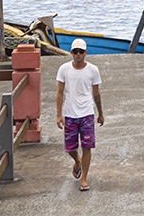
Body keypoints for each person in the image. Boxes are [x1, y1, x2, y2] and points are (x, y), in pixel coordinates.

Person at [56, 38, 104, 191]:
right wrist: (58, 114)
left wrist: (100, 113)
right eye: (75, 52)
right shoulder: (64, 69)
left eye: (81, 52)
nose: (78, 54)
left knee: (87, 146)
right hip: (70, 112)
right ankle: (77, 161)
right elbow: (59, 92)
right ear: (71, 53)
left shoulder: (93, 70)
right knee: (70, 147)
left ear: (85, 53)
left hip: (87, 113)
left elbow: (96, 93)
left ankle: (84, 178)